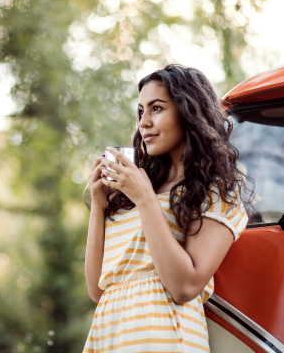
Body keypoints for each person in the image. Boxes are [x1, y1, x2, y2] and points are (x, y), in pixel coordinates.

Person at [83, 64, 250, 352]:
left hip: (165, 338)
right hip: (111, 336)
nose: (143, 122)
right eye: (140, 112)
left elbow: (185, 287)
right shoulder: (134, 191)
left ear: (188, 113)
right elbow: (98, 290)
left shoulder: (216, 190)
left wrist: (145, 198)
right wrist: (98, 208)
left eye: (156, 109)